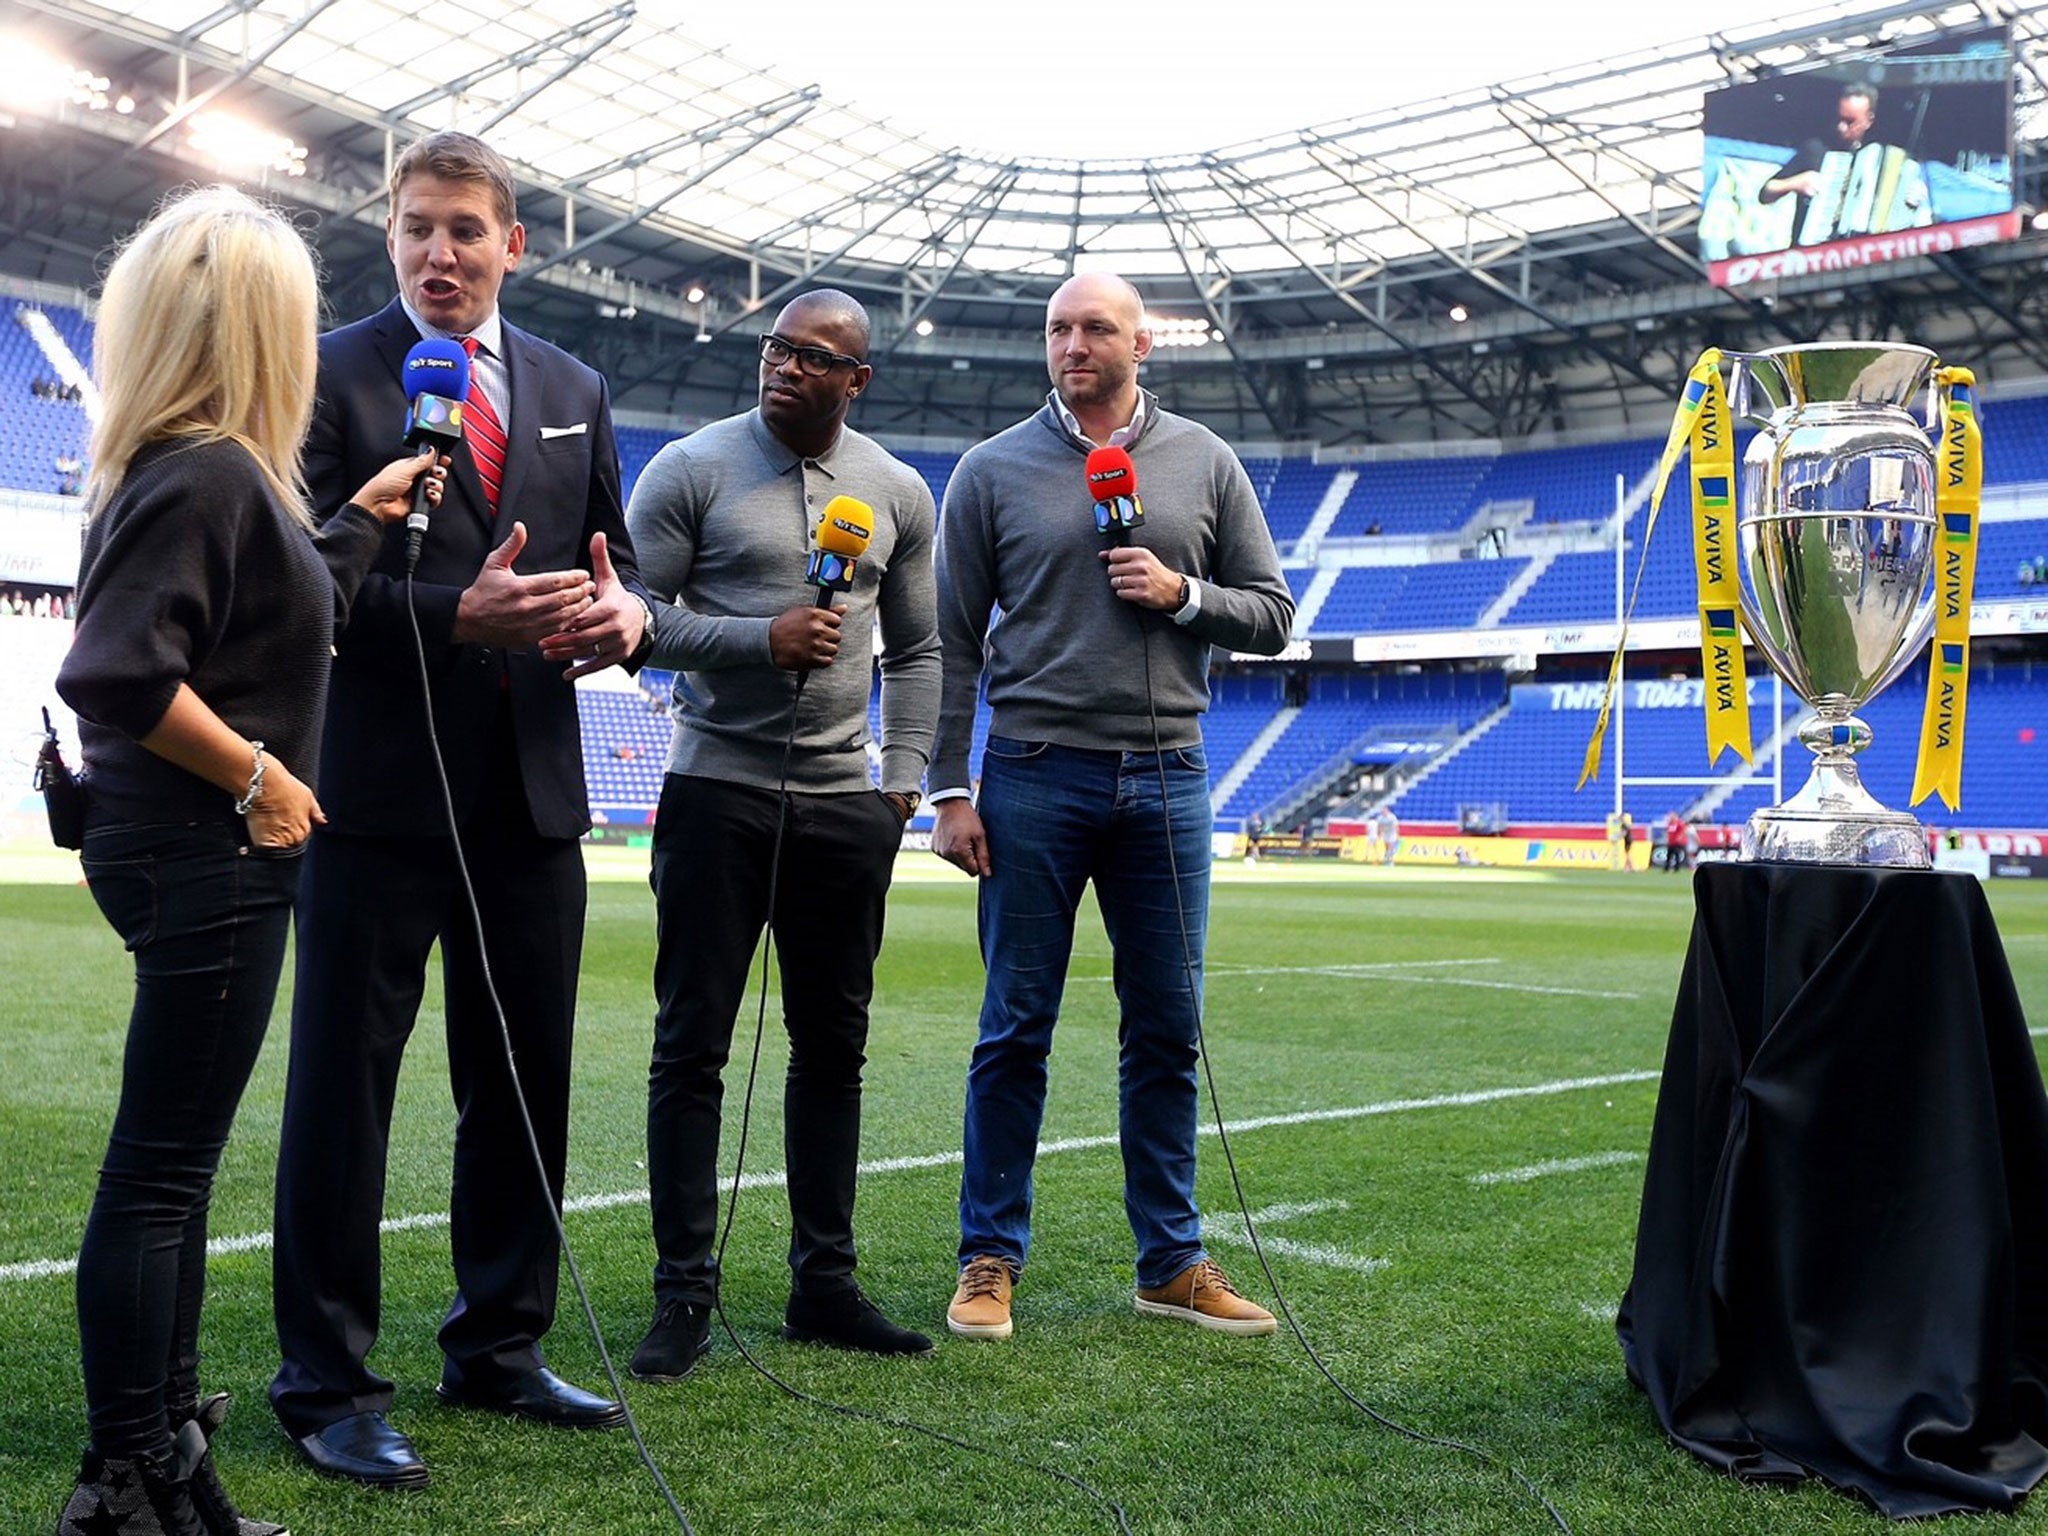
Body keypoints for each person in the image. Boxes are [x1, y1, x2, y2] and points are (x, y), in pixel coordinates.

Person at [51, 186, 441, 1536]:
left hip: (186, 847)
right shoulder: (209, 471)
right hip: (206, 848)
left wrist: (367, 516)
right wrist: (263, 776)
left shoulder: (196, 468)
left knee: (174, 1169)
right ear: (256, 330)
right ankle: (128, 1480)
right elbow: (116, 673)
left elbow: (270, 616)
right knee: (159, 1173)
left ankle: (161, 1462)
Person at [269, 130, 653, 1489]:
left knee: (521, 1088)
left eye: (466, 231)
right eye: (418, 228)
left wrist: (627, 616)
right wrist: (455, 617)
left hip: (533, 800)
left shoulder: (570, 383)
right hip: (370, 800)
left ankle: (497, 1345)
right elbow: (297, 592)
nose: (441, 254)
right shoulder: (329, 373)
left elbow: (619, 558)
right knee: (343, 1097)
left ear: (514, 244)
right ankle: (324, 1381)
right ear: (390, 235)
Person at [932, 271, 1295, 1341]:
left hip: (1169, 776)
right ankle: (987, 1258)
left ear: (1144, 345)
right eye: (1057, 327)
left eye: (1095, 327)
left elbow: (1272, 614)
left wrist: (1180, 595)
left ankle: (1170, 1261)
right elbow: (950, 640)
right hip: (1033, 771)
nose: (1072, 342)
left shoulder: (1204, 461)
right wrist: (950, 788)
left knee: (1167, 1031)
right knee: (1013, 1029)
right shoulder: (989, 471)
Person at [624, 288, 941, 1379]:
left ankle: (825, 1284)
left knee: (832, 1053)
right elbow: (632, 622)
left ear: (857, 379)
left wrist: (898, 786)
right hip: (715, 793)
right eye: (776, 349)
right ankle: (682, 1296)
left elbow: (919, 652)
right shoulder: (688, 467)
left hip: (841, 810)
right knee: (691, 1048)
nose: (786, 367)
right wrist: (759, 639)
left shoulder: (896, 492)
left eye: (814, 357)